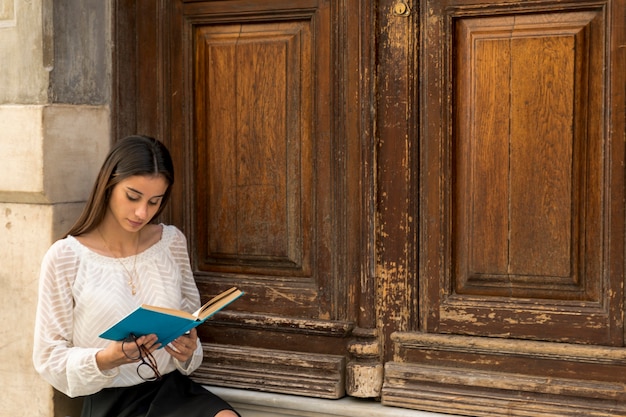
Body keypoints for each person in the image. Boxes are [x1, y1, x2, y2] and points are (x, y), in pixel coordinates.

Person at [33, 135, 240, 417]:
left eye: (155, 201)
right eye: (133, 197)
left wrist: (188, 348)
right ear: (108, 185)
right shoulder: (66, 256)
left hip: (170, 390)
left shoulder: (171, 243)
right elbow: (48, 357)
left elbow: (189, 318)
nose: (142, 212)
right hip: (109, 401)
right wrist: (107, 358)